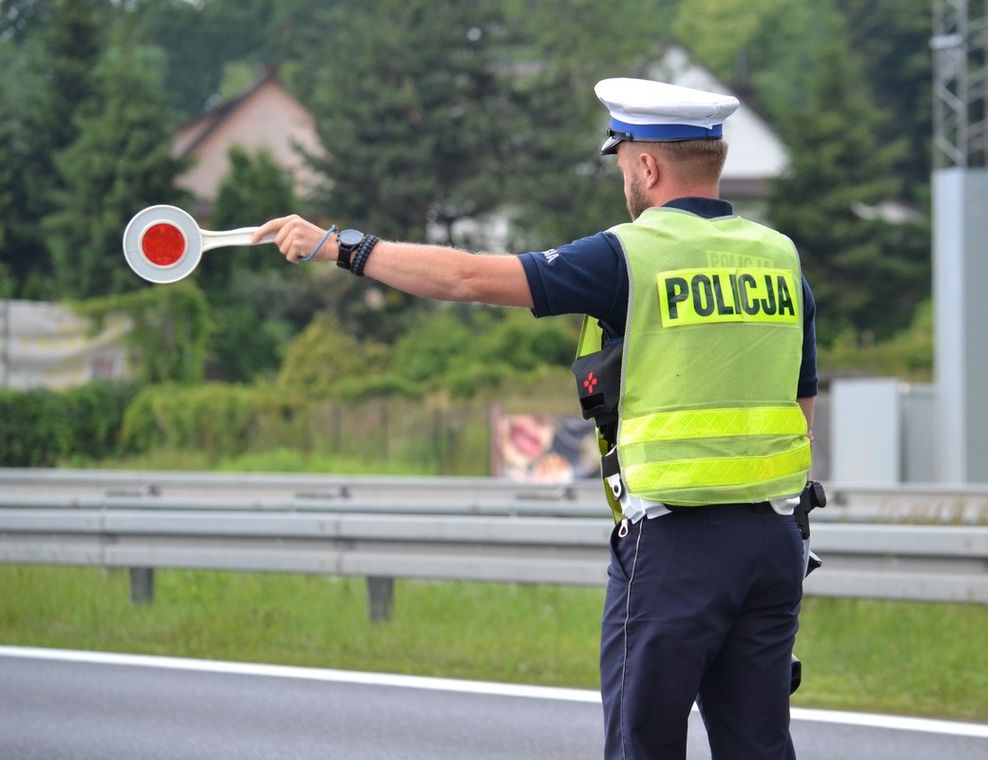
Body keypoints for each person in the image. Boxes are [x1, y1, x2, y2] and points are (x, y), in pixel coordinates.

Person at [255, 77, 818, 760]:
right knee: (760, 744)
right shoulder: (780, 258)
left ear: (646, 164)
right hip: (774, 544)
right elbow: (800, 407)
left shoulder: (630, 254)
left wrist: (340, 245)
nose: (622, 179)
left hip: (676, 546)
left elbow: (468, 279)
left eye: (621, 162)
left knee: (645, 741)